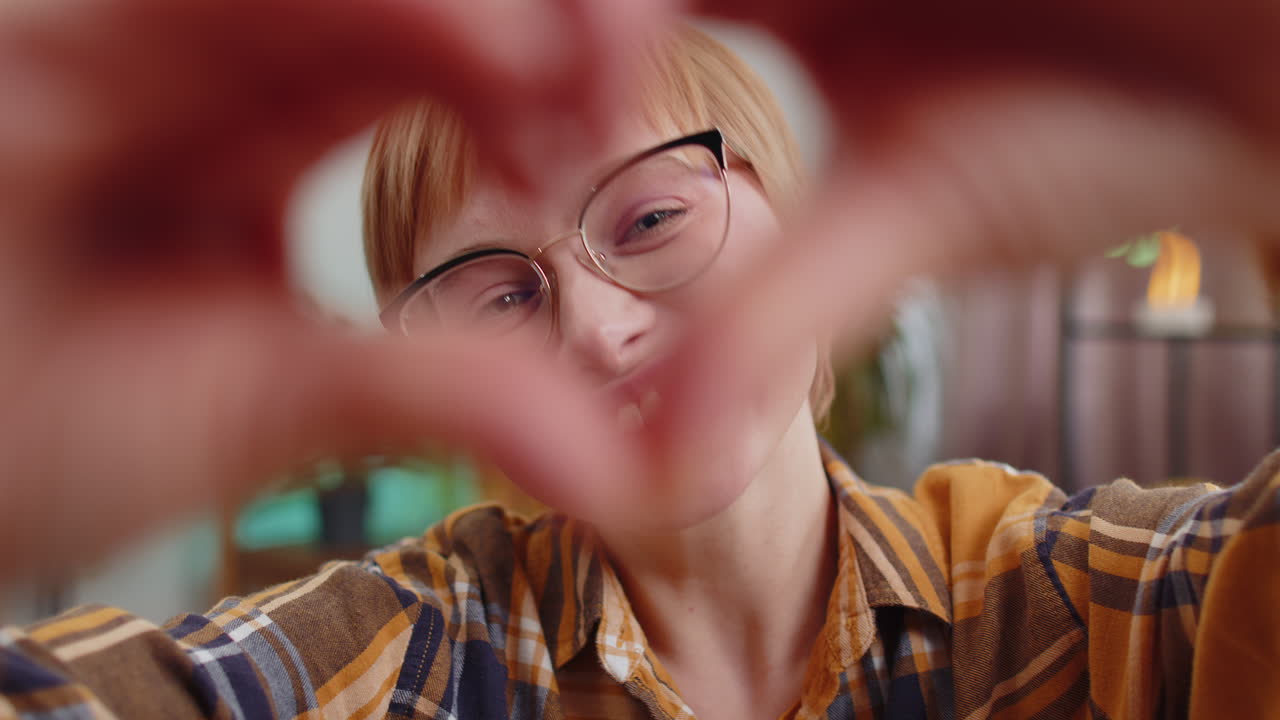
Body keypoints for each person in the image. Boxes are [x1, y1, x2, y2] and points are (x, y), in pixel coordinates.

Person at [0, 0, 1277, 718]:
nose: (599, 331)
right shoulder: (419, 654)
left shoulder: (1060, 606)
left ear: (792, 211)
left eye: (653, 219)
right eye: (494, 294)